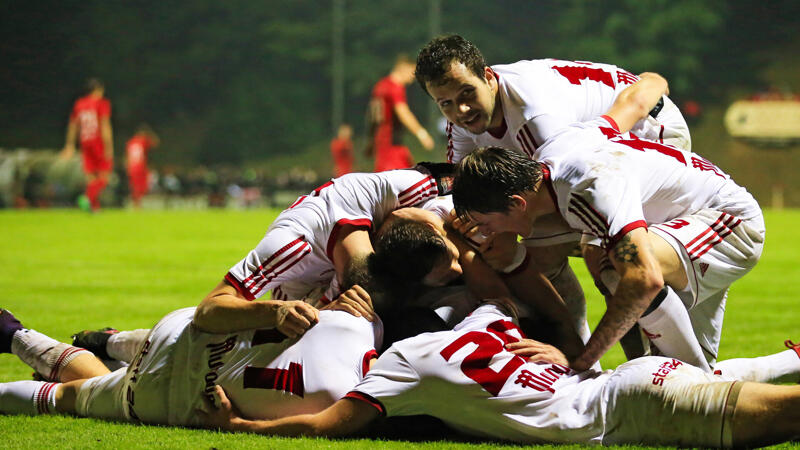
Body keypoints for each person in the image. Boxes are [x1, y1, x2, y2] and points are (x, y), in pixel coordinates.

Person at [197, 239, 800, 448]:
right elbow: (494, 292)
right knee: (725, 384)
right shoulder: (485, 322)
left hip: (626, 410)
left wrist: (245, 431)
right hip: (621, 383)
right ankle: (791, 359)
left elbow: (328, 422)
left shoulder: (403, 365)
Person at [414, 34, 693, 352]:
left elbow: (576, 177)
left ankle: (648, 367)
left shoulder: (535, 115)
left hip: (646, 131)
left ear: (488, 77)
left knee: (610, 262)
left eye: (467, 93)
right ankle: (575, 360)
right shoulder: (465, 122)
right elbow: (471, 194)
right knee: (538, 259)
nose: (461, 109)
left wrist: (500, 236)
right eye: (445, 103)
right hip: (590, 156)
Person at [451, 119, 767, 374]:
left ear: (517, 203)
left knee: (618, 269)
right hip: (686, 223)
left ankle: (700, 389)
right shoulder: (554, 154)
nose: (489, 233)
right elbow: (614, 118)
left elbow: (645, 280)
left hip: (728, 221)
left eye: (488, 224)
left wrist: (580, 362)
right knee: (677, 372)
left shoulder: (589, 189)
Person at [0, 296, 380, 426]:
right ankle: (17, 335)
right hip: (173, 394)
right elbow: (314, 429)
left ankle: (15, 333)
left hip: (186, 331)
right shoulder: (342, 403)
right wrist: (232, 425)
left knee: (104, 380)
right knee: (67, 399)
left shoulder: (362, 322)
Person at [367, 54, 435, 172]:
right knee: (408, 182)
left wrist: (371, 140)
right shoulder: (395, 88)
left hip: (382, 145)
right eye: (412, 72)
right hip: (392, 148)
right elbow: (403, 112)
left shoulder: (380, 85)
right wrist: (421, 133)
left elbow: (373, 117)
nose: (413, 77)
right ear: (403, 68)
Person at [61, 78, 114, 212]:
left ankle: (94, 208)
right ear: (98, 90)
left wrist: (69, 145)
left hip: (85, 142)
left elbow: (73, 125)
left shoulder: (79, 104)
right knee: (104, 177)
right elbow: (104, 125)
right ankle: (87, 198)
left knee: (91, 178)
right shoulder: (101, 103)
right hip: (98, 142)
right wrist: (109, 146)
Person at [126, 124, 160, 209]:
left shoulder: (131, 142)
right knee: (143, 187)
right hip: (140, 167)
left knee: (135, 187)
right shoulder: (142, 141)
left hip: (132, 167)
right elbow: (156, 143)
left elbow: (127, 156)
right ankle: (137, 205)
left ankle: (137, 204)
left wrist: (127, 166)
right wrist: (150, 133)